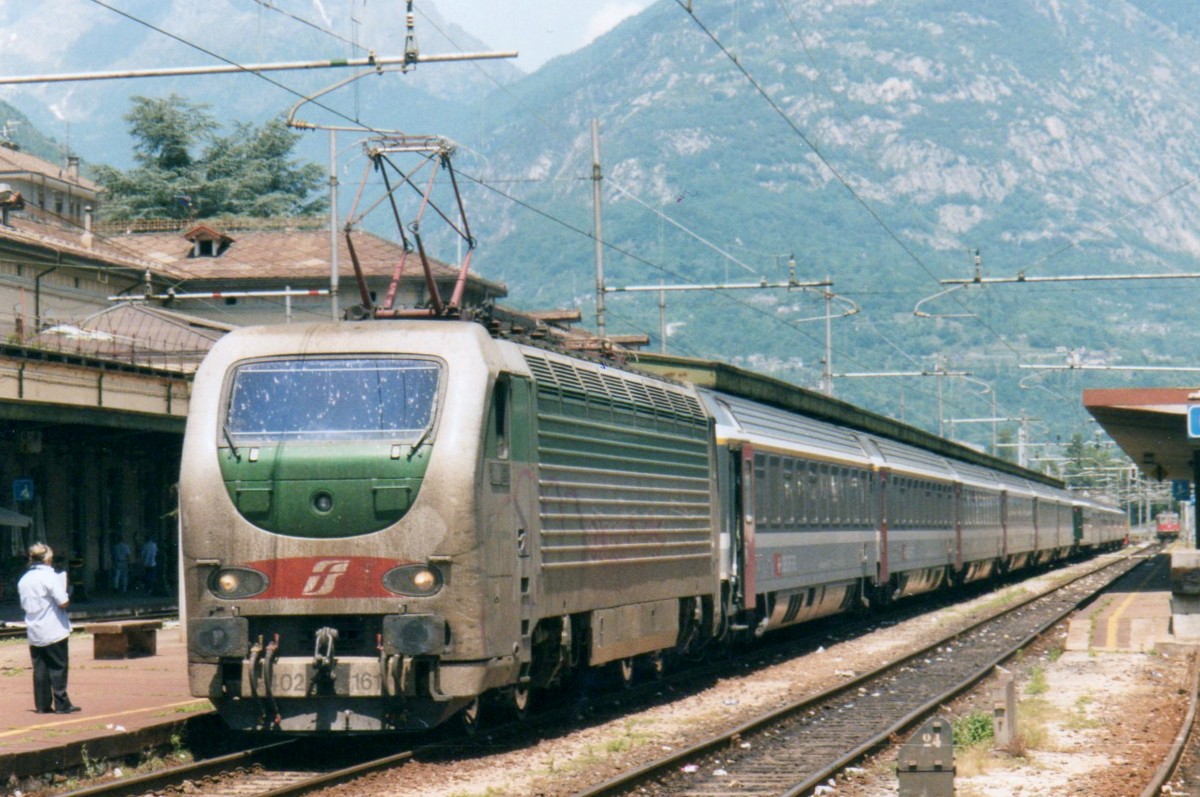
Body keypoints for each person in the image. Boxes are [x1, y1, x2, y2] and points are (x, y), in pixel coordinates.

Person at [17, 542, 80, 714]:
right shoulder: (50, 577)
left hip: (34, 629)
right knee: (58, 666)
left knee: (40, 668)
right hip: (53, 629)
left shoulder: (24, 579)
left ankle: (42, 705)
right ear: (48, 558)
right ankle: (62, 704)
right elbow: (63, 602)